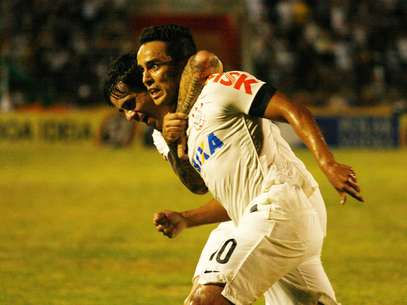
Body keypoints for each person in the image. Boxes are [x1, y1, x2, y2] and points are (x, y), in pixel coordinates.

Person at [105, 24, 363, 305]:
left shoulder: (220, 88)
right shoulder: (164, 134)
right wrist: (186, 214)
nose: (147, 79)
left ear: (180, 63)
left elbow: (293, 109)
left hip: (280, 205)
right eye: (143, 71)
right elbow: (208, 187)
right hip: (253, 216)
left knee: (207, 300)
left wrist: (329, 164)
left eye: (153, 67)